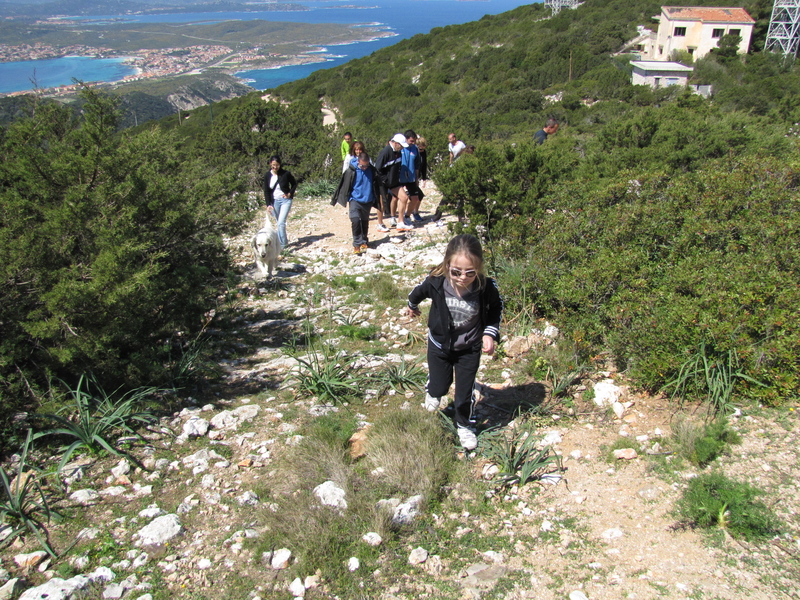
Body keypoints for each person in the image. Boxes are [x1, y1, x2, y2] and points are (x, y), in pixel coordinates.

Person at [406, 234, 503, 450]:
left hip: (469, 348)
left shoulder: (486, 287)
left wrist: (489, 333)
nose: (462, 277)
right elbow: (417, 292)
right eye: (456, 272)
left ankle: (464, 424)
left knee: (464, 392)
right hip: (439, 346)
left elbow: (496, 309)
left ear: (479, 268)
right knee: (440, 386)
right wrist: (412, 306)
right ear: (447, 264)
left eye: (470, 272)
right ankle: (433, 390)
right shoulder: (436, 281)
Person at [331, 152, 381, 254]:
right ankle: (357, 244)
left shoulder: (372, 170)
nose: (364, 168)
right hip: (355, 199)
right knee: (355, 220)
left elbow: (378, 184)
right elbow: (343, 185)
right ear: (358, 162)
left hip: (368, 200)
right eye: (362, 165)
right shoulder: (351, 170)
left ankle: (364, 241)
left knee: (364, 222)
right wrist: (338, 198)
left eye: (366, 165)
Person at [376, 133, 413, 232]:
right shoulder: (385, 152)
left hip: (394, 181)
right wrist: (385, 180)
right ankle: (380, 223)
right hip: (382, 182)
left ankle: (400, 222)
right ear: (396, 143)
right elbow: (377, 169)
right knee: (382, 203)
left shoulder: (399, 152)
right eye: (401, 145)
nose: (402, 148)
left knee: (404, 197)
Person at [351, 140, 389, 233]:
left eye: (360, 149)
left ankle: (364, 239)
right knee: (355, 220)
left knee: (365, 221)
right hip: (355, 194)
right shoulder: (351, 162)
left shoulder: (369, 163)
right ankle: (357, 241)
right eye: (356, 150)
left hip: (367, 193)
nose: (358, 151)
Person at [262, 155, 297, 249]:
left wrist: (290, 193)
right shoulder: (267, 175)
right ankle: (283, 241)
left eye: (277, 165)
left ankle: (283, 245)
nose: (275, 167)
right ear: (270, 164)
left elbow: (294, 183)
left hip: (285, 200)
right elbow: (266, 191)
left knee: (281, 223)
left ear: (280, 164)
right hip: (275, 201)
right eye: (273, 165)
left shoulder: (285, 174)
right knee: (278, 222)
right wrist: (268, 204)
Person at [400, 129, 424, 224]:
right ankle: (396, 218)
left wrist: (417, 178)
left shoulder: (415, 149)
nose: (412, 143)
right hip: (401, 177)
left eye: (414, 141)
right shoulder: (401, 148)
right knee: (401, 198)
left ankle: (407, 216)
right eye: (411, 141)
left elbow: (417, 165)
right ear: (406, 139)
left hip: (411, 177)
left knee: (415, 198)